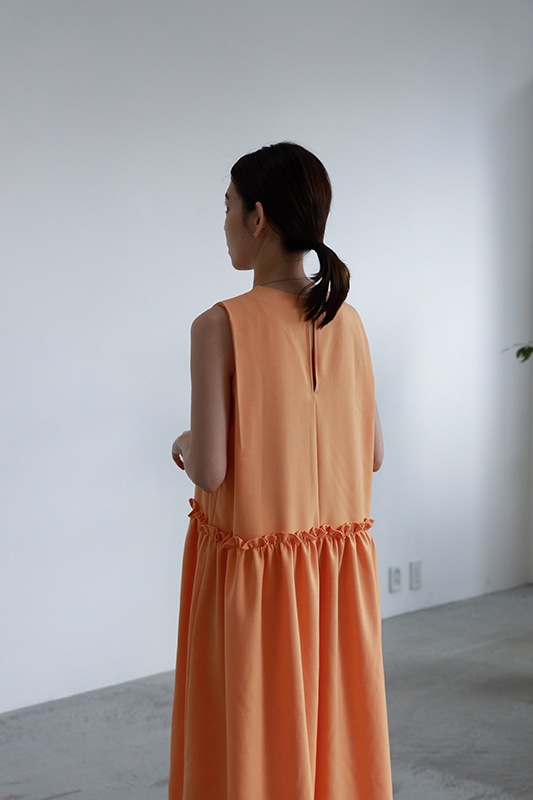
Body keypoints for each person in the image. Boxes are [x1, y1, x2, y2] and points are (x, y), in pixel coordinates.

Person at [168, 142, 392, 800]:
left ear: (258, 217)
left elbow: (210, 470)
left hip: (258, 587)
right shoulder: (347, 319)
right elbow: (372, 454)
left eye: (228, 207)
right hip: (335, 580)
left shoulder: (218, 325)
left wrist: (185, 442)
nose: (224, 223)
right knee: (334, 740)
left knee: (251, 740)